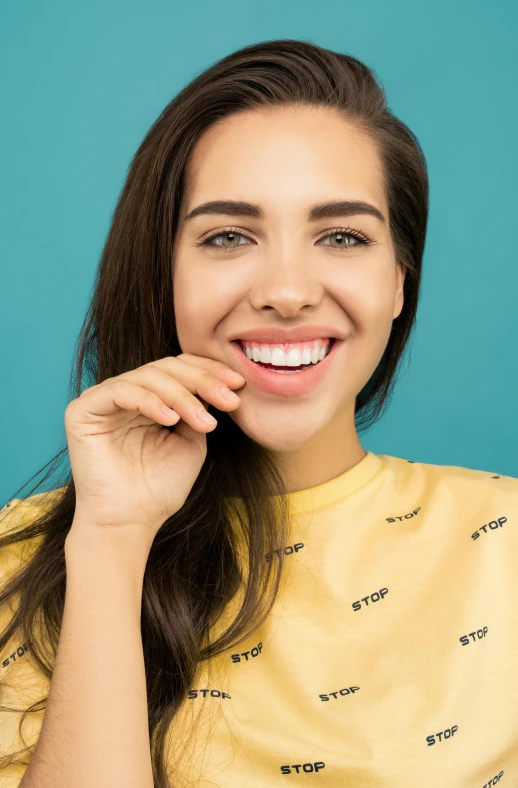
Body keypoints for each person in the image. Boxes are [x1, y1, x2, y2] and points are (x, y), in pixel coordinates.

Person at [0, 38, 515, 788]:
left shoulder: (502, 541)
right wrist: (112, 541)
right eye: (229, 236)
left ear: (399, 283)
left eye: (341, 236)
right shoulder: (21, 561)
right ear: (165, 271)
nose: (287, 290)